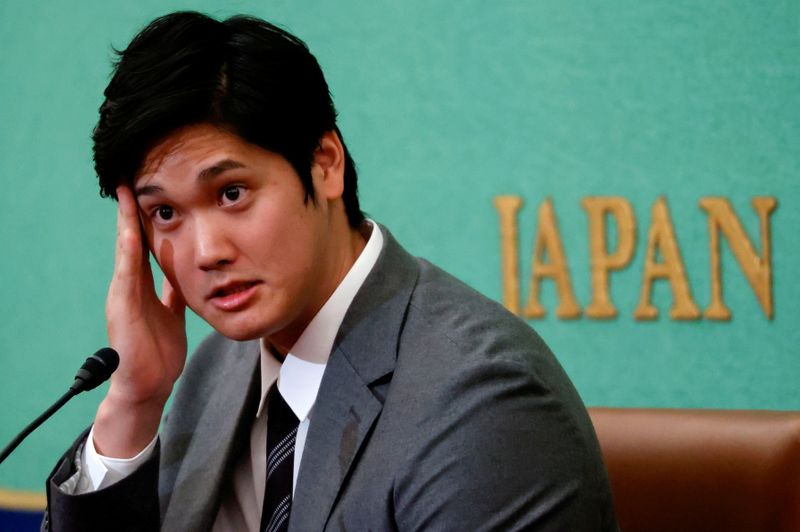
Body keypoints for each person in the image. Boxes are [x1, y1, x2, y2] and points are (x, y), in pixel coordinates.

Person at [43, 11, 617, 532]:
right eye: (164, 213)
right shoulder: (212, 371)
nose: (205, 252)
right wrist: (135, 401)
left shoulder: (483, 403)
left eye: (232, 192)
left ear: (325, 165)